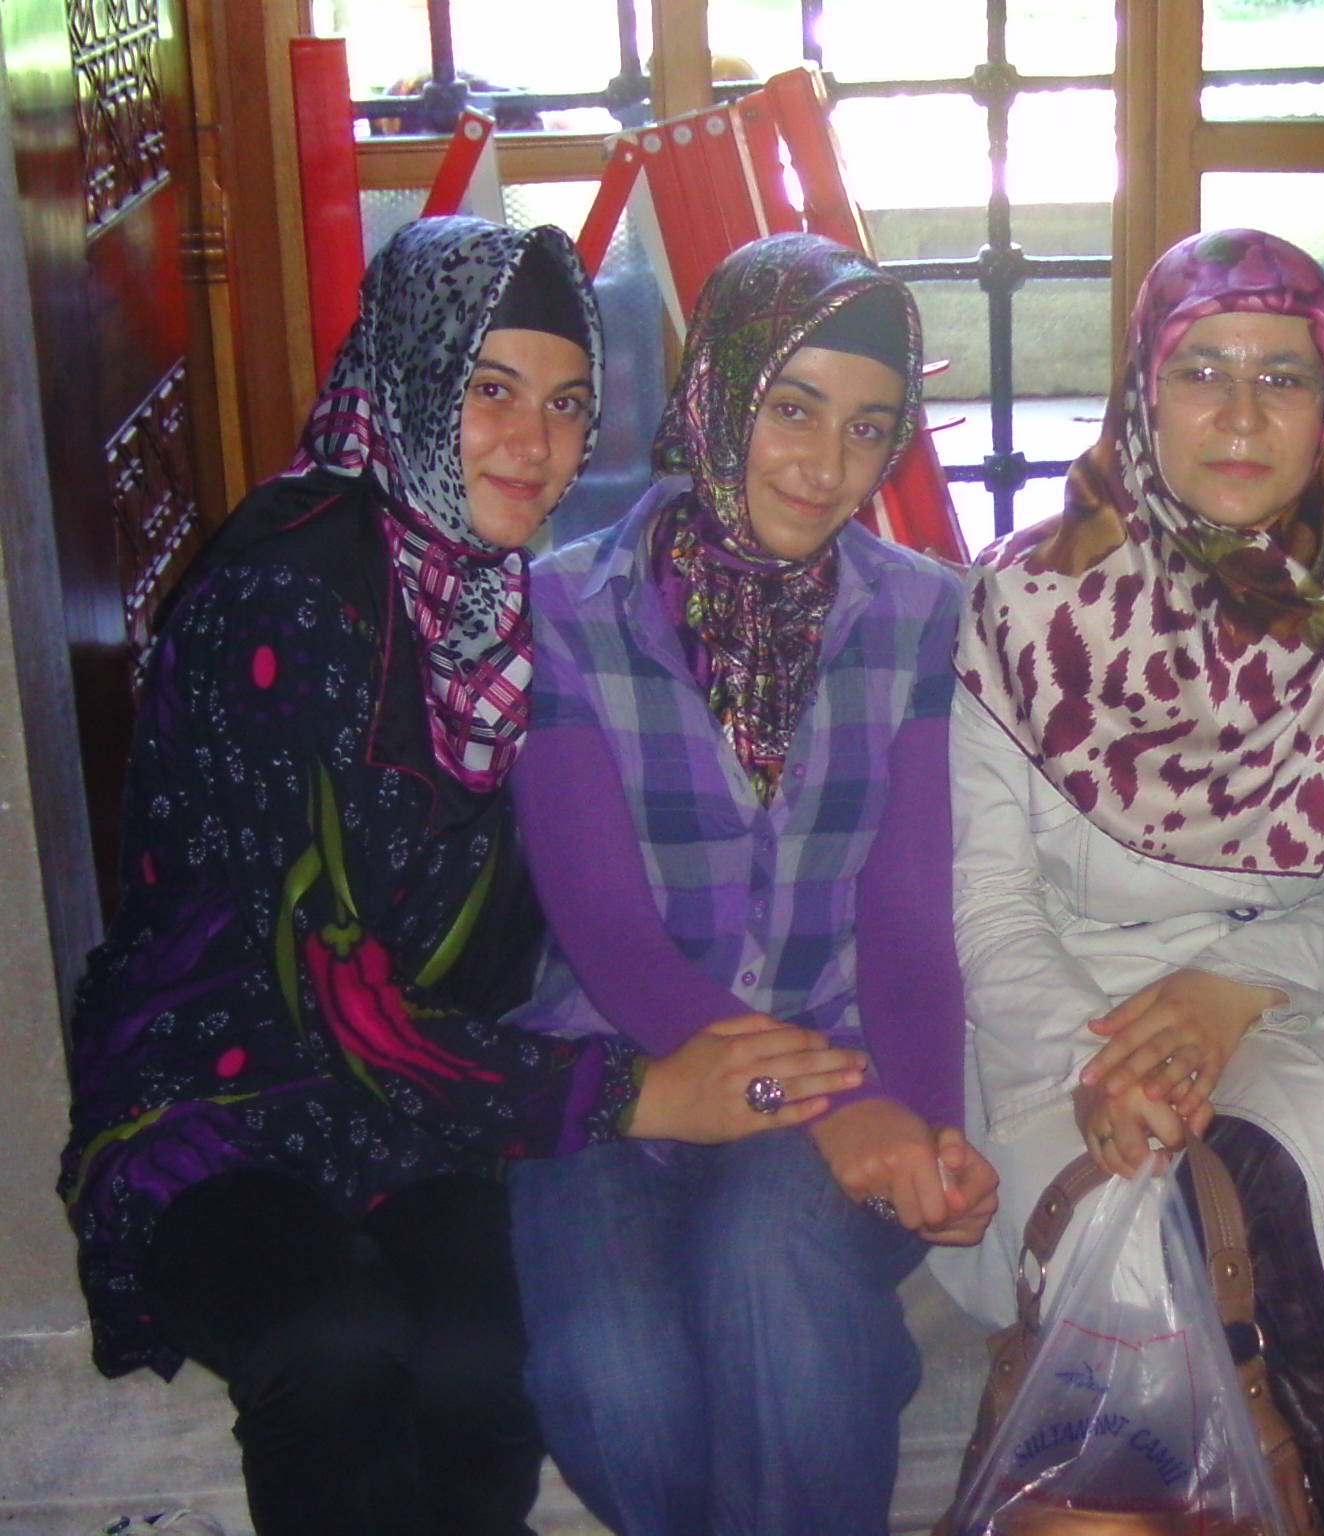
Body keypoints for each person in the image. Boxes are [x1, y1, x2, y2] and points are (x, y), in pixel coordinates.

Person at [54, 217, 860, 1536]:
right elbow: (317, 984)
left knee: (489, 1353)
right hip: (225, 1083)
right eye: (491, 390)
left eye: (567, 404)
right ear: (411, 380)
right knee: (333, 1338)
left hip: (422, 1097)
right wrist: (626, 1092)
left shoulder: (491, 595)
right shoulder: (294, 584)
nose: (534, 445)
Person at [932, 228, 1324, 1536]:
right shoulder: (1020, 604)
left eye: (1281, 377)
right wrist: (1099, 1065)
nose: (1241, 415)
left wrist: (1234, 987)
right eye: (1202, 372)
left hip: (1282, 997)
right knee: (1136, 1228)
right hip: (1061, 1021)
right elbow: (991, 902)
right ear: (1142, 392)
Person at [502, 231, 999, 1536]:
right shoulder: (561, 612)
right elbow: (609, 938)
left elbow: (907, 922)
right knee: (612, 1380)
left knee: (769, 1278)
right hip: (612, 1075)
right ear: (718, 393)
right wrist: (813, 1104)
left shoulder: (923, 616)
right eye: (793, 408)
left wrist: (918, 1128)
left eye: (868, 428)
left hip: (846, 1059)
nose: (826, 465)